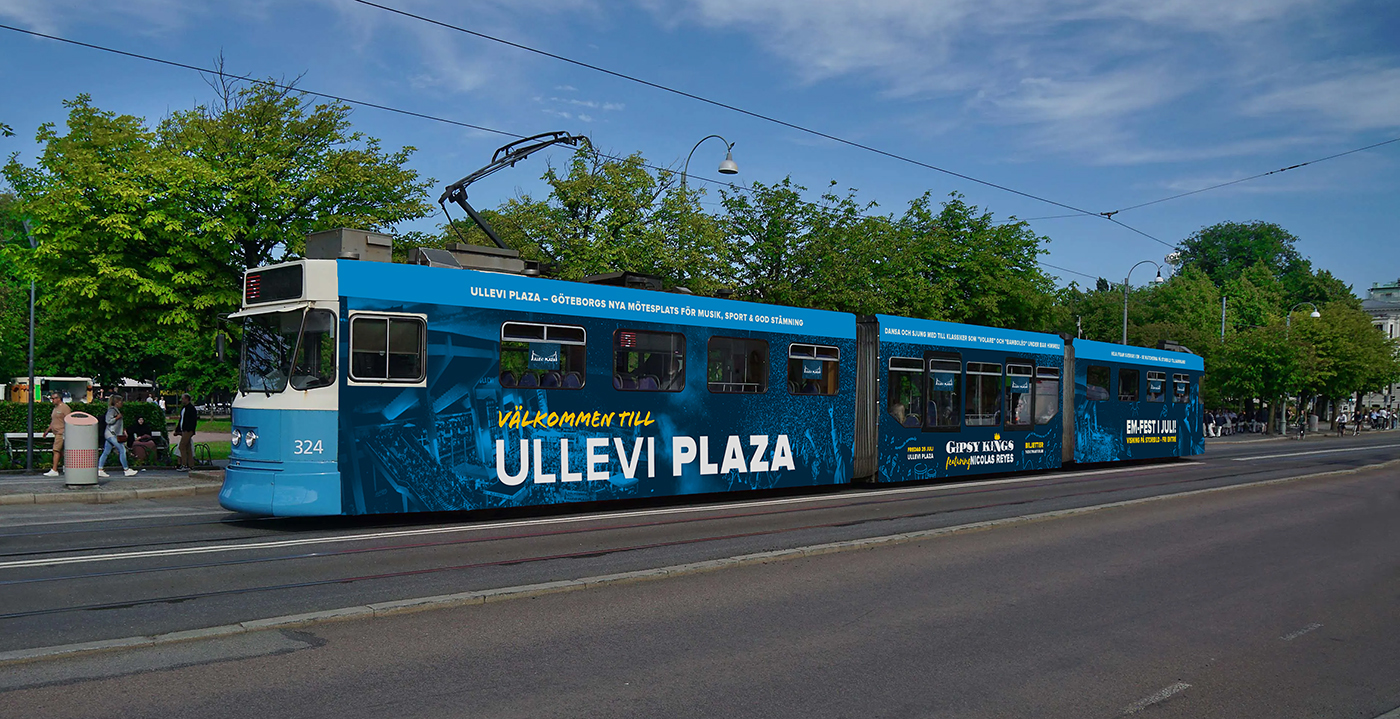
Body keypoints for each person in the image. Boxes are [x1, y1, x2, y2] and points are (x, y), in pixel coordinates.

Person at [97, 394, 138, 478]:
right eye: (120, 401)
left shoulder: (114, 410)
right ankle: (126, 469)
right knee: (122, 449)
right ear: (117, 402)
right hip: (112, 434)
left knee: (106, 452)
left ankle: (100, 469)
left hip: (110, 433)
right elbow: (108, 421)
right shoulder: (112, 410)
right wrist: (117, 418)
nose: (122, 403)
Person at [41, 392, 72, 477]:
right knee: (61, 452)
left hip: (61, 432)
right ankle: (68, 465)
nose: (52, 400)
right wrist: (47, 431)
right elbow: (53, 421)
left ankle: (54, 469)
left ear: (59, 398)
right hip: (56, 432)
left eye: (53, 398)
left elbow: (69, 419)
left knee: (56, 450)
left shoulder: (65, 408)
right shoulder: (55, 408)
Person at [175, 393, 198, 471]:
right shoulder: (185, 408)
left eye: (183, 398)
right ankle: (191, 464)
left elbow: (192, 421)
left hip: (187, 430)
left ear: (187, 399)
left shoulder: (191, 409)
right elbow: (181, 420)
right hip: (184, 430)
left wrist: (189, 429)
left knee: (182, 446)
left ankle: (184, 464)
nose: (182, 400)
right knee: (188, 447)